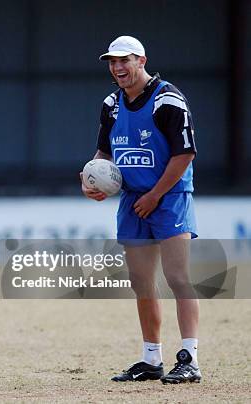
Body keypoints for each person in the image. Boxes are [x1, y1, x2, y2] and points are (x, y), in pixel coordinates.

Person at [81, 36, 201, 384]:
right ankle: (151, 360)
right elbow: (102, 154)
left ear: (142, 60)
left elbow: (185, 154)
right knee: (141, 282)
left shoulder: (168, 100)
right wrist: (91, 179)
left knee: (178, 278)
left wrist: (155, 195)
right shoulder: (111, 104)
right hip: (133, 200)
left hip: (170, 197)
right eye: (112, 62)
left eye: (125, 61)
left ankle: (189, 359)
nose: (118, 68)